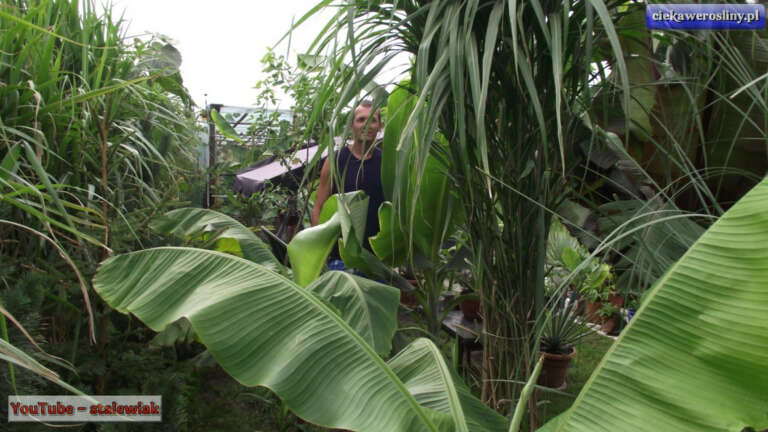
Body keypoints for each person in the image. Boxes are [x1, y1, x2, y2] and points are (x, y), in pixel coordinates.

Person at [311, 100, 384, 266]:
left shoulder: (386, 163)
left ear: (380, 126)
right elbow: (319, 207)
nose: (367, 125)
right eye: (361, 119)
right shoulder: (336, 160)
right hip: (340, 258)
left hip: (377, 260)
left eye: (372, 120)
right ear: (351, 126)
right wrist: (319, 252)